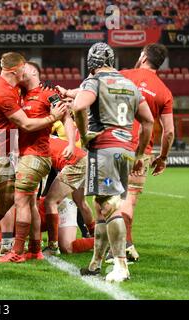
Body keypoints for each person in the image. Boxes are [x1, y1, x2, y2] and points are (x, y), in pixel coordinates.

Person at [0, 52, 67, 258]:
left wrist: (47, 85)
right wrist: (52, 117)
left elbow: (34, 86)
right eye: (23, 67)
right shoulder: (4, 92)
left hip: (4, 154)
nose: (25, 69)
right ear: (14, 71)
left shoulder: (13, 86)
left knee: (8, 198)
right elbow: (26, 124)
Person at [72, 42, 154, 282]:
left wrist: (84, 133)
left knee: (109, 206)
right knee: (101, 207)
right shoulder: (129, 84)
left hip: (104, 150)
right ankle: (96, 263)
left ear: (91, 62)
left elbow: (78, 106)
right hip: (126, 151)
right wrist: (139, 154)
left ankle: (120, 265)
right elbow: (148, 121)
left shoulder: (94, 81)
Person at [0, 61, 75, 263]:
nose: (19, 72)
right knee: (29, 204)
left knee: (20, 202)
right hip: (25, 156)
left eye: (23, 68)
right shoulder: (19, 95)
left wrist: (71, 143)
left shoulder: (48, 94)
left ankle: (17, 252)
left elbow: (65, 118)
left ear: (32, 71)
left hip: (36, 155)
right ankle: (35, 250)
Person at [113, 44, 174, 262]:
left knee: (109, 200)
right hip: (141, 152)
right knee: (129, 200)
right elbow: (169, 133)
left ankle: (119, 247)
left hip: (114, 146)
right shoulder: (164, 91)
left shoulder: (123, 75)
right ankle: (125, 245)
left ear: (144, 56)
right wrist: (163, 158)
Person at [43, 136, 95, 255]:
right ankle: (97, 237)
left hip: (75, 163)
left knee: (50, 201)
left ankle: (52, 246)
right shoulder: (47, 136)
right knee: (80, 202)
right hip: (83, 159)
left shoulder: (37, 142)